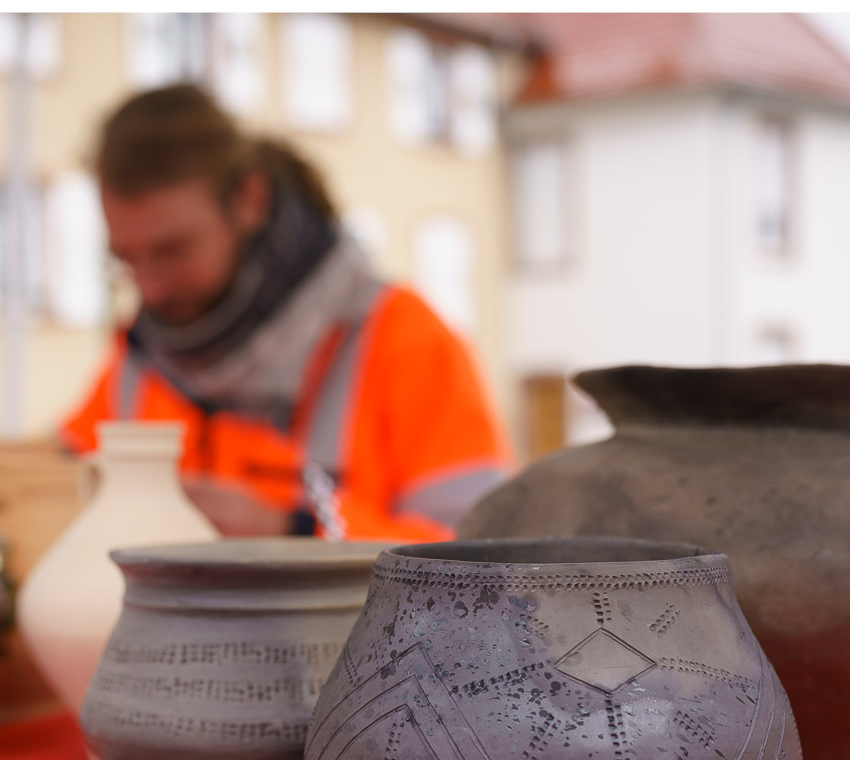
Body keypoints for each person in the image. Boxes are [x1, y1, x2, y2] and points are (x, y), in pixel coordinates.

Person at [60, 85, 512, 541]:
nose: (148, 288)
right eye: (126, 259)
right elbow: (54, 488)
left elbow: (481, 558)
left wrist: (296, 533)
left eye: (172, 251)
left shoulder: (406, 341)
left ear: (249, 200)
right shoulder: (139, 361)